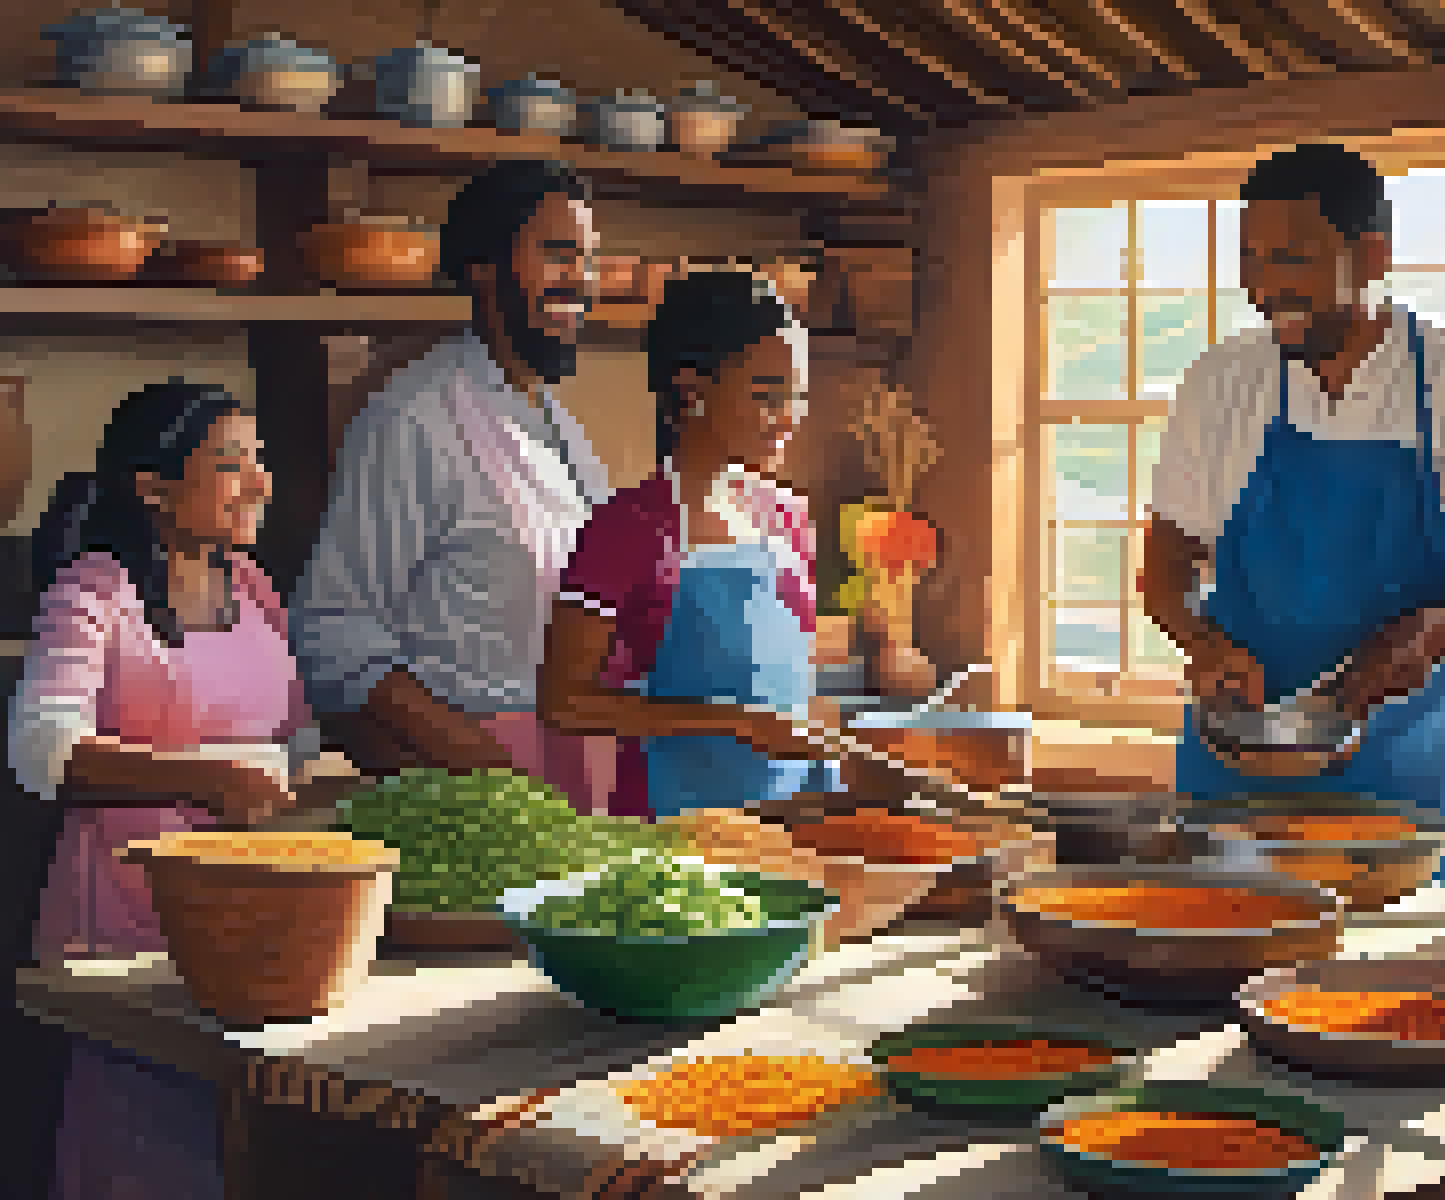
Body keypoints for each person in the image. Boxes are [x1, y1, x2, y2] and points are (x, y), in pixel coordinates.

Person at [1142, 142, 1445, 884]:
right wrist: (1205, 644)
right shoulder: (1220, 385)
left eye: (1293, 259)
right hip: (1243, 790)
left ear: (1371, 256)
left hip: (1418, 789)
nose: (1266, 287)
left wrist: (1434, 632)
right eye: (1251, 259)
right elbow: (1165, 571)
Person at [9, 379, 340, 1200]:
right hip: (125, 924)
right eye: (231, 465)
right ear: (152, 487)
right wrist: (205, 775)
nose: (260, 481)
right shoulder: (96, 591)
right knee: (146, 1149)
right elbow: (41, 749)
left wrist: (323, 779)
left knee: (244, 1146)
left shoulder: (254, 587)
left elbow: (296, 741)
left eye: (259, 461)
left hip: (249, 918)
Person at [292, 159, 616, 810]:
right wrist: (485, 767)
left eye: (588, 259)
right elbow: (334, 630)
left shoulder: (561, 427)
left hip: (575, 769)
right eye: (557, 256)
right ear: (483, 268)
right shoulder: (413, 419)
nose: (580, 280)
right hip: (467, 782)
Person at [538, 270, 838, 819]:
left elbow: (783, 677)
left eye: (797, 396)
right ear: (691, 387)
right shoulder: (625, 527)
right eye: (766, 395)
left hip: (792, 816)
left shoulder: (790, 517)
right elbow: (564, 704)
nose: (788, 418)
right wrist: (739, 724)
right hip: (673, 826)